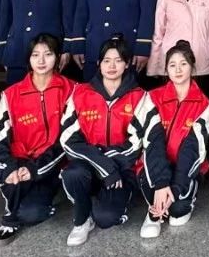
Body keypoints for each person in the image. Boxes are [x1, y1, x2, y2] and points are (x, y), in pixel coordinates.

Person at [58, 37, 147, 246]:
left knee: (106, 218)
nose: (112, 66)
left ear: (127, 64)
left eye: (118, 60)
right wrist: (103, 164)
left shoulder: (139, 96)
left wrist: (108, 164)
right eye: (107, 60)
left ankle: (102, 203)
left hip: (122, 169)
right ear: (99, 63)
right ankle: (82, 220)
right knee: (73, 173)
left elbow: (136, 144)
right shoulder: (80, 93)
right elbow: (68, 139)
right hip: (89, 165)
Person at [0, 33, 76, 241]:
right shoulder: (11, 94)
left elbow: (68, 139)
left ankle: (45, 197)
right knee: (13, 183)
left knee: (31, 213)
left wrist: (35, 168)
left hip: (55, 164)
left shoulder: (72, 89)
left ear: (58, 57)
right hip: (21, 162)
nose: (41, 60)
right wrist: (10, 168)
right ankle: (13, 208)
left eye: (48, 54)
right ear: (28, 58)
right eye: (35, 55)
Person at [133, 43, 209, 238]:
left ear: (192, 67)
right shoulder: (152, 98)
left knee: (177, 210)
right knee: (156, 194)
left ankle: (176, 200)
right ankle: (153, 213)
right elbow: (152, 143)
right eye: (172, 65)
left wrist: (174, 188)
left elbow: (192, 150)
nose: (178, 70)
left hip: (185, 166)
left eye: (183, 64)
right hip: (154, 164)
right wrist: (161, 184)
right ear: (166, 69)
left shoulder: (204, 104)